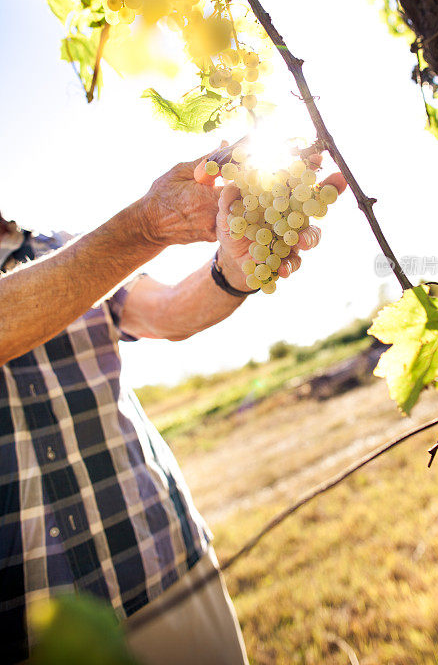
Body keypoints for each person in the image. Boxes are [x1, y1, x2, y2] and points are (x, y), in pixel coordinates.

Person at [0, 149, 345, 665]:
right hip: (38, 637)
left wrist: (233, 271)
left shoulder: (59, 248)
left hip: (166, 560)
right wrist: (144, 227)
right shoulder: (90, 253)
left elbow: (164, 314)